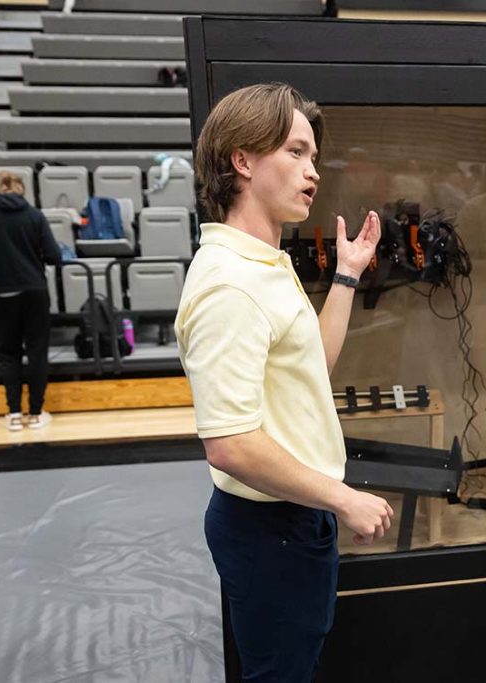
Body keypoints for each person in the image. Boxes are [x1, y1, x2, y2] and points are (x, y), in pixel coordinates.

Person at [175, 83, 394, 682]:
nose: (313, 171)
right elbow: (230, 443)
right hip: (271, 529)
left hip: (292, 524)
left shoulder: (263, 265)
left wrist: (346, 276)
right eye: (296, 152)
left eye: (314, 157)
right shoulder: (231, 286)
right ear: (242, 160)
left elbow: (311, 373)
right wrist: (343, 498)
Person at [0, 171, 61, 431]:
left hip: (0, 293)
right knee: (37, 352)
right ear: (21, 187)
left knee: (8, 354)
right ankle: (36, 413)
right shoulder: (34, 215)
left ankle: (13, 413)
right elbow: (55, 256)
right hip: (34, 290)